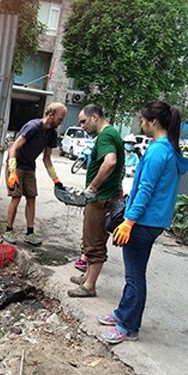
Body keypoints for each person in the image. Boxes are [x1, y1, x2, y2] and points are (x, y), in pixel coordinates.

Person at [98, 101, 188, 344]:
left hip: (143, 222)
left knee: (135, 276)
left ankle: (128, 326)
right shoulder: (169, 149)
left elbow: (145, 190)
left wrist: (128, 221)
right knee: (135, 274)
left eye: (143, 120)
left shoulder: (158, 151)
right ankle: (122, 314)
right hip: (154, 221)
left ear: (153, 122)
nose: (141, 124)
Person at [68, 104, 124, 297]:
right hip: (108, 195)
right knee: (95, 238)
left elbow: (110, 162)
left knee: (94, 242)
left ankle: (89, 286)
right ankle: (86, 278)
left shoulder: (106, 136)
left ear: (95, 117)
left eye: (83, 121)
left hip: (101, 199)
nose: (82, 126)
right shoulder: (112, 133)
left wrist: (93, 188)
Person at [3, 102, 66, 246]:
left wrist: (56, 180)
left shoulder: (52, 134)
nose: (60, 122)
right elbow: (13, 149)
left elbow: (47, 159)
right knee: (16, 197)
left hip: (29, 167)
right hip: (16, 164)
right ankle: (8, 230)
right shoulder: (33, 127)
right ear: (50, 115)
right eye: (60, 119)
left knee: (31, 197)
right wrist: (12, 172)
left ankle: (30, 233)